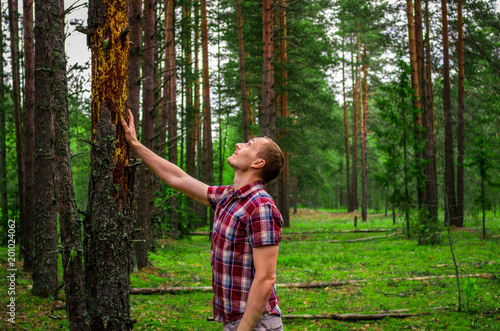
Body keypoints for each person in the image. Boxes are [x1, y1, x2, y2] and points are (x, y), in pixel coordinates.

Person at [121, 109, 285, 331]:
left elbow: (266, 278)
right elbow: (178, 178)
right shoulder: (228, 197)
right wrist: (135, 144)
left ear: (258, 163)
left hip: (255, 322)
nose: (239, 145)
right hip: (237, 320)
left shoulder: (261, 206)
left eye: (248, 144)